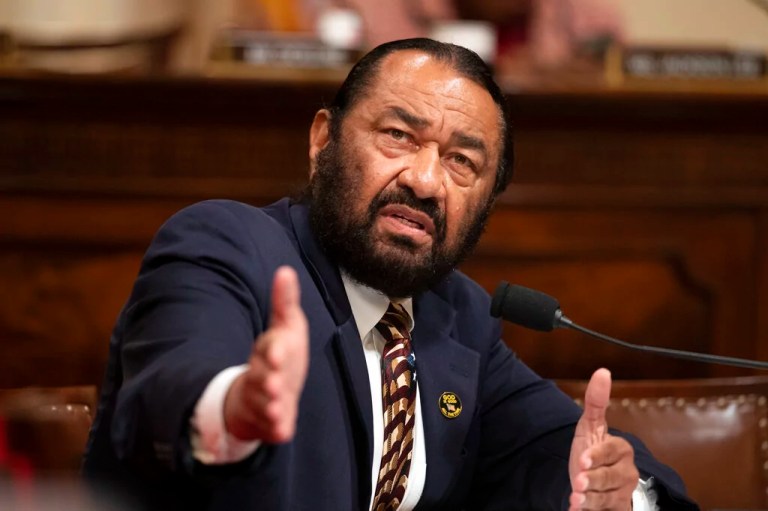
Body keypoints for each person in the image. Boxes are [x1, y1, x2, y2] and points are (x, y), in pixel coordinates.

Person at [82, 38, 698, 511]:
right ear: (324, 140)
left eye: (461, 161)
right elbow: (172, 386)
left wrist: (621, 494)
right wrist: (233, 410)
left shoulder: (458, 317)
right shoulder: (228, 244)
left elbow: (560, 452)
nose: (426, 181)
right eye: (399, 136)